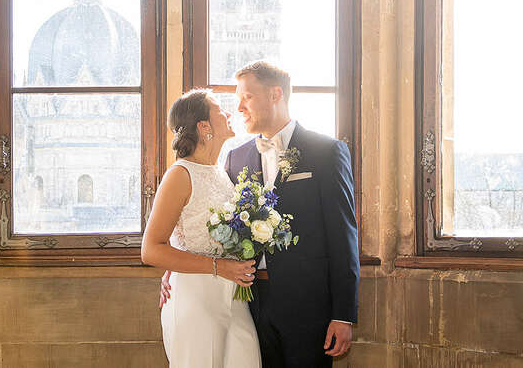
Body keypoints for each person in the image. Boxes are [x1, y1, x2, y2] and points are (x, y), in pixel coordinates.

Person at [161, 61, 360, 367]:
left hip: (307, 306)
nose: (239, 107)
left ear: (275, 94)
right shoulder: (235, 158)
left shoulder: (327, 152)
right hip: (246, 302)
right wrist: (173, 268)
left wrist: (343, 314)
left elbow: (343, 235)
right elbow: (211, 222)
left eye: (247, 97)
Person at [142, 89, 262, 367]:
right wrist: (220, 267)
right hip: (195, 298)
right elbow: (150, 250)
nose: (229, 114)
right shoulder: (179, 174)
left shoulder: (222, 172)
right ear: (204, 126)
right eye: (220, 110)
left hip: (234, 296)